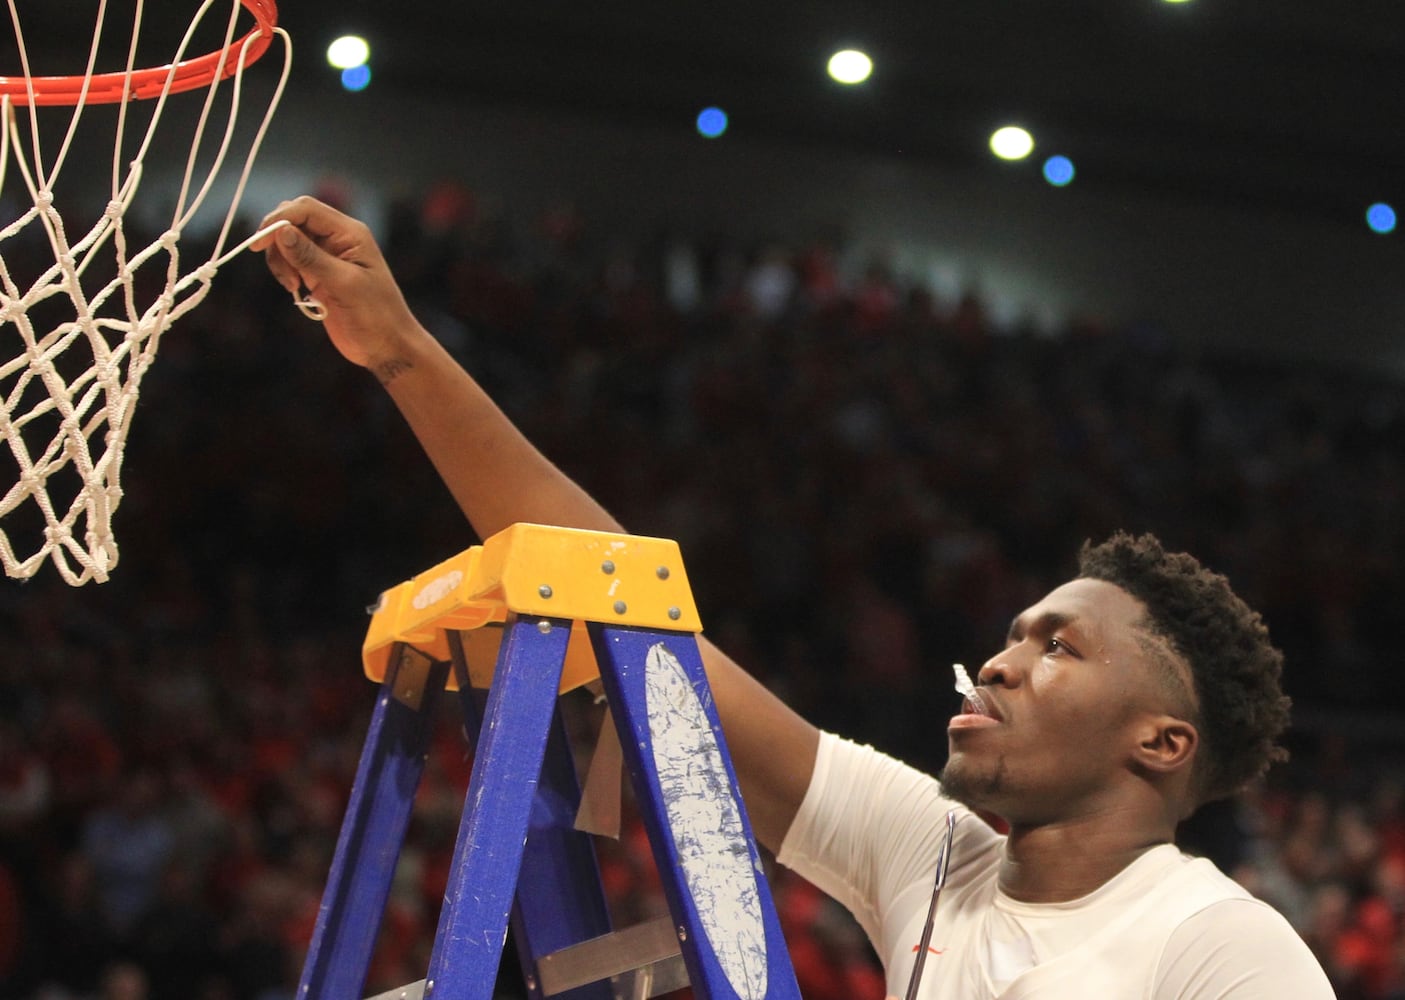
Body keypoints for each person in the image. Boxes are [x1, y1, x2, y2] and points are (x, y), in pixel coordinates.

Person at [254, 196, 1337, 998]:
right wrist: (401, 352)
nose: (1000, 661)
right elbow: (614, 593)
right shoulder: (933, 849)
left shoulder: (1221, 945)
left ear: (1159, 741)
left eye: (1059, 648)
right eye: (1013, 634)